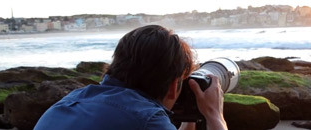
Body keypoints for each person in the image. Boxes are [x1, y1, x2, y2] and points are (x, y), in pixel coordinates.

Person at [34, 25, 227, 130]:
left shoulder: (69, 102)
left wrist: (190, 116)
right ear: (173, 86)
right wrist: (215, 116)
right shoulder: (147, 119)